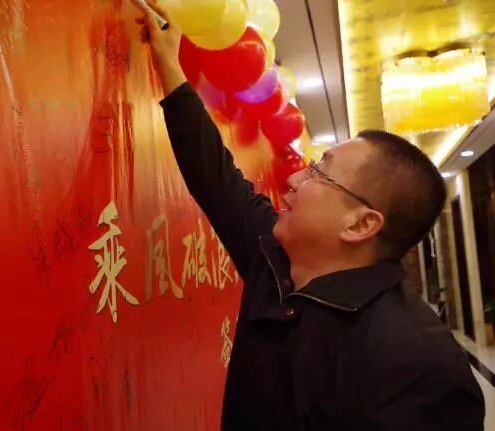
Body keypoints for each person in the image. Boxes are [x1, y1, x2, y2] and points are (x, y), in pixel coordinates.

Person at [135, 1, 486, 430]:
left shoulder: (419, 367)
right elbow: (215, 176)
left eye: (319, 172)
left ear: (361, 224)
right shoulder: (276, 261)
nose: (294, 178)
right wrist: (170, 65)